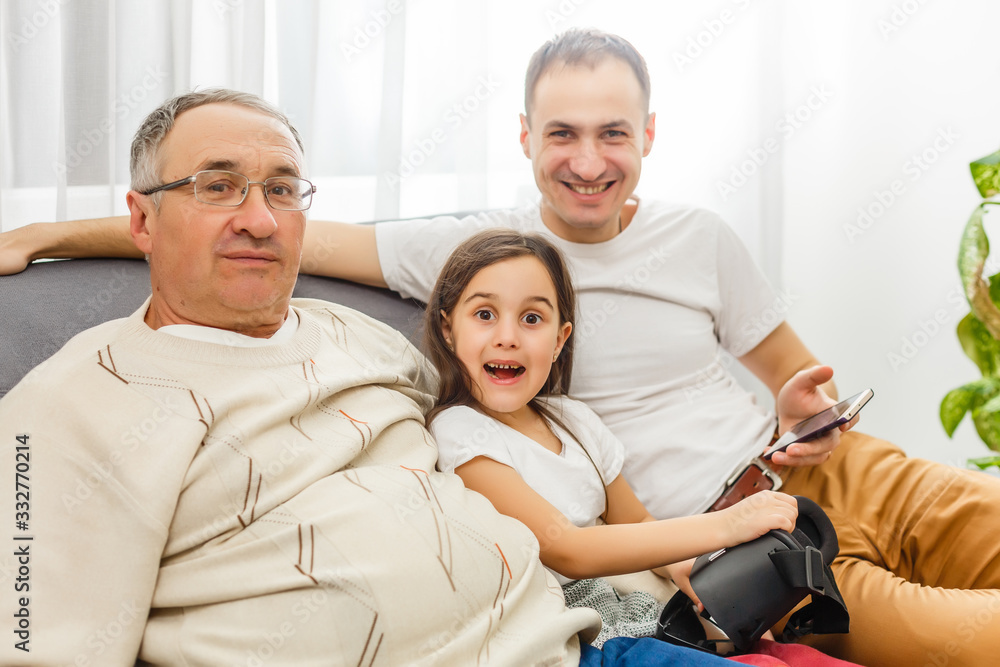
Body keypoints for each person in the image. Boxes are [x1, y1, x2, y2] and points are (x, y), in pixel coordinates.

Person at [4, 28, 1000, 666]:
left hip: (824, 479)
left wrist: (801, 421)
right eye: (562, 132)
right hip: (723, 540)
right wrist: (45, 235)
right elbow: (255, 224)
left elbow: (793, 371)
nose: (587, 159)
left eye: (613, 133)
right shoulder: (463, 256)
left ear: (649, 136)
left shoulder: (695, 237)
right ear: (522, 136)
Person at [0, 88, 758, 667]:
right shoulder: (67, 408)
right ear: (141, 223)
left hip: (572, 645)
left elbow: (513, 429)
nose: (259, 219)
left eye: (282, 189)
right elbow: (37, 639)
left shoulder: (359, 336)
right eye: (217, 186)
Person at [421, 228, 799, 648]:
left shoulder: (574, 419)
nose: (507, 336)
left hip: (637, 607)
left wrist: (688, 570)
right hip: (576, 629)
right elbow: (566, 548)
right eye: (485, 314)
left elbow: (635, 520)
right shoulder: (460, 430)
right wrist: (726, 525)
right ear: (448, 328)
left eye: (532, 319)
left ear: (559, 340)